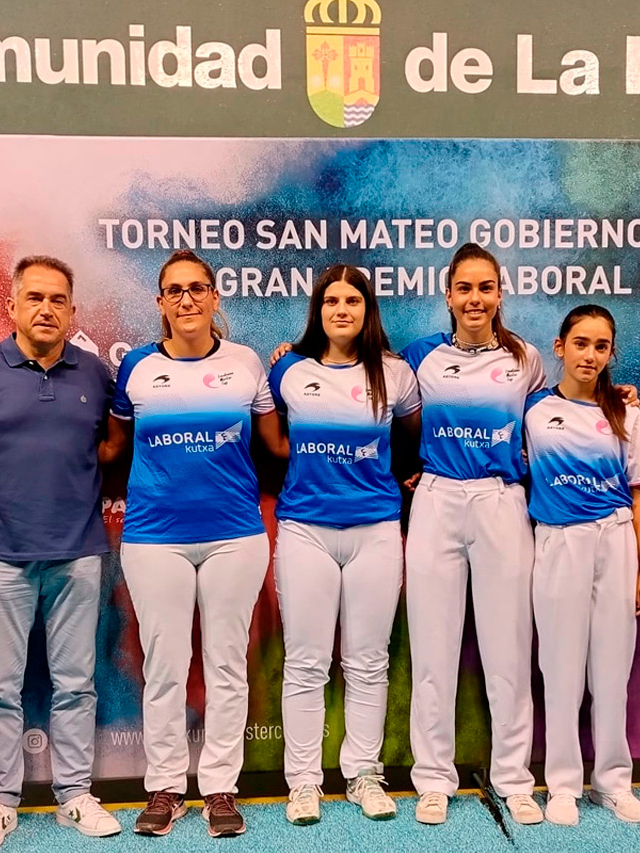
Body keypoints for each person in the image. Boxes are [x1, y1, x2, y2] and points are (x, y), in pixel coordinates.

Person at [100, 249, 287, 838]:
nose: (186, 299)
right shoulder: (134, 367)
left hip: (235, 536)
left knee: (228, 665)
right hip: (155, 538)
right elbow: (111, 448)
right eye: (175, 290)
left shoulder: (246, 363)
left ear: (214, 298)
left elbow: (276, 444)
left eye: (197, 289)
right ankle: (164, 787)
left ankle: (221, 789)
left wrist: (291, 364)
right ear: (160, 303)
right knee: (165, 665)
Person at [0, 256, 121, 851]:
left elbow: (115, 447)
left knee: (77, 683)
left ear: (72, 311)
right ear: (11, 306)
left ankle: (73, 796)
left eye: (58, 300)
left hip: (78, 553)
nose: (46, 309)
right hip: (0, 554)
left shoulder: (94, 373)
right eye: (34, 298)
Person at [267, 265, 422, 826]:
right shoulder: (288, 368)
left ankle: (363, 773)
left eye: (352, 300)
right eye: (331, 300)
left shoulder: (396, 374)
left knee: (368, 663)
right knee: (306, 664)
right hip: (306, 529)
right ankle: (304, 782)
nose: (341, 310)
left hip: (376, 531)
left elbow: (417, 440)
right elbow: (268, 441)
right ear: (318, 309)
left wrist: (406, 477)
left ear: (366, 309)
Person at [399, 243, 546, 826]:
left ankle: (514, 779)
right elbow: (362, 384)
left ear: (500, 293)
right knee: (432, 648)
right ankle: (433, 778)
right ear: (449, 294)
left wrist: (620, 396)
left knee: (508, 647)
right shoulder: (418, 357)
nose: (475, 299)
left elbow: (555, 414)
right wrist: (290, 352)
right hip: (436, 499)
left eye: (486, 288)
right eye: (465, 288)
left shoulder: (526, 358)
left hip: (501, 502)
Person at [525, 305, 640, 827]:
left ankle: (613, 782)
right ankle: (562, 785)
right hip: (559, 543)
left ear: (611, 353)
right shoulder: (532, 411)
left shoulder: (625, 411)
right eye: (581, 343)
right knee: (560, 669)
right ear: (560, 347)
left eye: (601, 346)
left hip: (616, 542)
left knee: (611, 669)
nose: (590, 354)